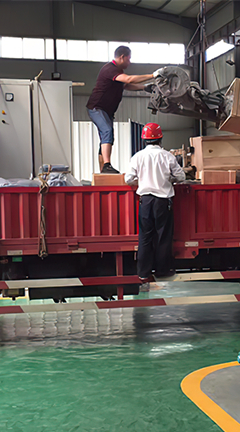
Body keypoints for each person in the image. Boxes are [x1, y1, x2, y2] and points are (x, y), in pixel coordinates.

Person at [87, 46, 163, 174]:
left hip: (107, 111)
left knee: (107, 137)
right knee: (107, 131)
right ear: (122, 57)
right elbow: (128, 79)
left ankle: (103, 169)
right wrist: (153, 75)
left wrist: (144, 88)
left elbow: (126, 85)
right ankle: (107, 165)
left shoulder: (117, 71)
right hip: (97, 108)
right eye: (129, 59)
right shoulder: (110, 69)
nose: (130, 62)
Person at [125, 123, 186, 282]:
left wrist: (142, 181)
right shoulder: (167, 156)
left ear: (144, 139)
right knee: (163, 237)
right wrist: (169, 179)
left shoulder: (138, 156)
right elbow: (181, 177)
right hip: (162, 202)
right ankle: (162, 271)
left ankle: (143, 272)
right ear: (160, 138)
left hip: (145, 201)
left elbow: (128, 179)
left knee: (145, 237)